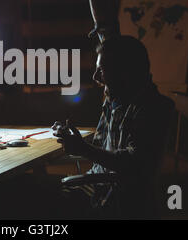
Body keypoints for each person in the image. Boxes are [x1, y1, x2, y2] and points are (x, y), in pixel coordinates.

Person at [53, 35, 175, 219]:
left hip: (112, 199)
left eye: (101, 70)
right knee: (25, 187)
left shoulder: (152, 107)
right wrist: (71, 138)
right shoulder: (116, 100)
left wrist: (83, 149)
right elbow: (102, 148)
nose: (95, 77)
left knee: (23, 193)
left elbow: (135, 165)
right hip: (98, 184)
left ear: (125, 72)